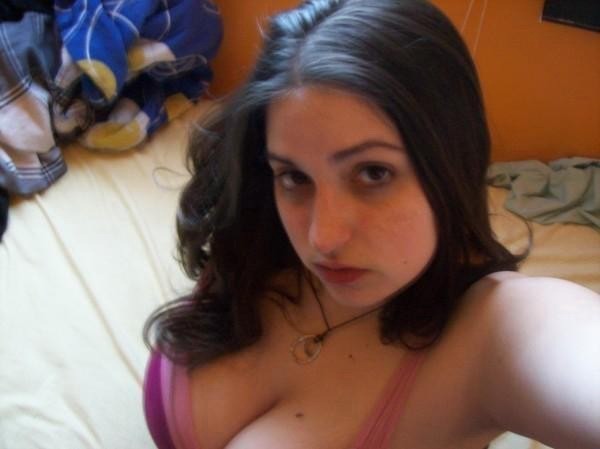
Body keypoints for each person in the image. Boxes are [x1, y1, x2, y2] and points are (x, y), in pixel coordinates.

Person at [142, 1, 600, 448]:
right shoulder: (256, 225)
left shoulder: (496, 328)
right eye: (295, 176)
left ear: (451, 163)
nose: (322, 238)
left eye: (374, 173)